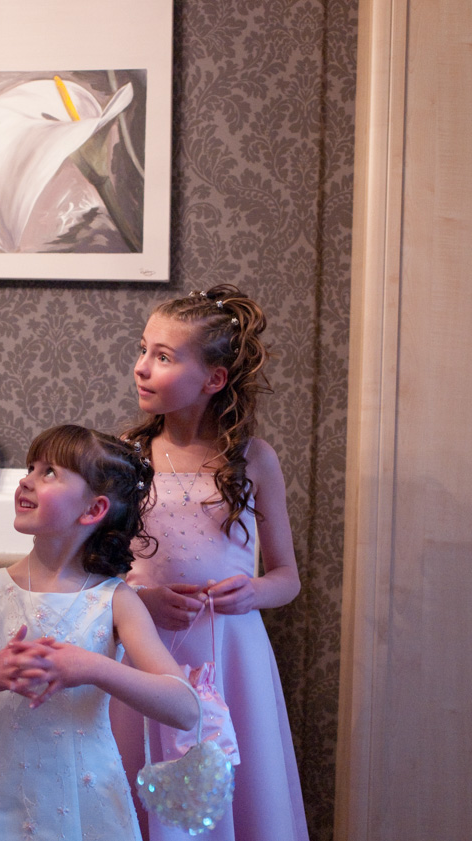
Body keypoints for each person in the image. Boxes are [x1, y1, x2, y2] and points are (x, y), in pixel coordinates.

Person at [0, 424, 200, 841]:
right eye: (31, 466)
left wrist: (93, 667)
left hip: (87, 801)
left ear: (93, 510)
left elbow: (185, 708)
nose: (25, 479)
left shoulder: (116, 600)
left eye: (49, 472)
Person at [111, 286, 309, 840]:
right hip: (146, 646)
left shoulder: (253, 460)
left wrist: (253, 592)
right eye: (144, 349)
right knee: (139, 780)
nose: (141, 368)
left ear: (214, 379)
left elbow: (286, 578)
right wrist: (142, 600)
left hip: (231, 654)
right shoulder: (127, 455)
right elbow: (99, 571)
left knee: (227, 793)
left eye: (164, 357)